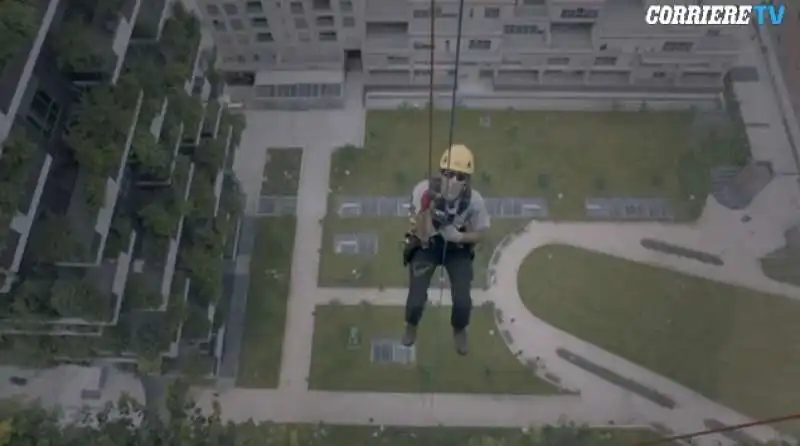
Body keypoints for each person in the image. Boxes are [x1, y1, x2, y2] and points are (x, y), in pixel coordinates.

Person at [401, 144, 491, 355]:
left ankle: (459, 327)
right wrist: (426, 209)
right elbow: (419, 234)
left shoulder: (474, 201)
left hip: (457, 248)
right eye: (449, 174)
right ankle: (411, 324)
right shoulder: (423, 191)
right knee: (415, 299)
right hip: (428, 243)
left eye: (461, 176)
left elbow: (481, 234)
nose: (454, 181)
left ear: (468, 180)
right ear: (441, 173)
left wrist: (460, 236)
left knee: (463, 301)